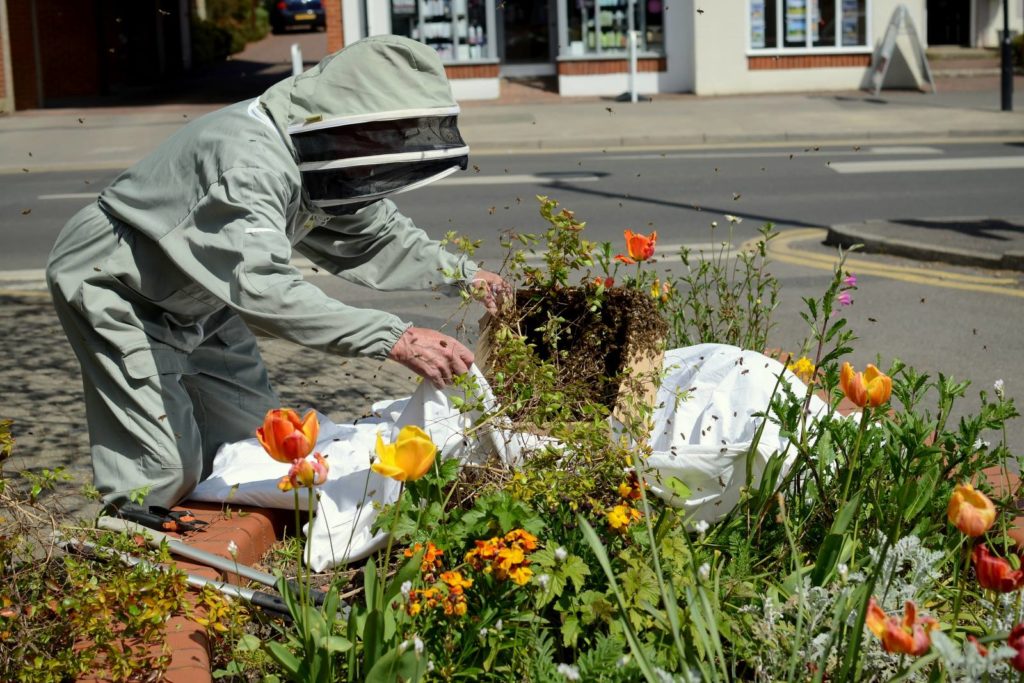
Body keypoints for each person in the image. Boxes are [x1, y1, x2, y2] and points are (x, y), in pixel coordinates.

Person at [45, 35, 506, 511]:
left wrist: (465, 274)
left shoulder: (313, 154)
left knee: (255, 446)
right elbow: (262, 288)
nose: (384, 150)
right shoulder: (249, 162)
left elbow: (374, 233)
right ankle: (129, 553)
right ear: (348, 114)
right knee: (158, 474)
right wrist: (397, 337)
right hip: (122, 289)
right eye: (384, 135)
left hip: (204, 296)